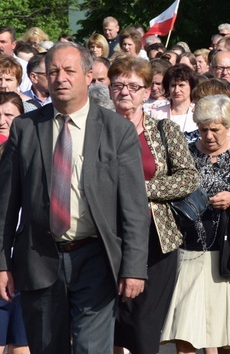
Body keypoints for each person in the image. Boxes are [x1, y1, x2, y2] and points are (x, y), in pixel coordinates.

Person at [0, 42, 150, 353]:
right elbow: (5, 204)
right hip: (39, 257)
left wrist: (134, 267)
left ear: (87, 75)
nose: (60, 78)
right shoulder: (25, 129)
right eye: (53, 71)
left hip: (96, 258)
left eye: (69, 71)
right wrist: (2, 263)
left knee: (92, 349)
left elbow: (134, 207)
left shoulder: (117, 130)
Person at [160, 95, 230, 353]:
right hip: (190, 252)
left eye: (215, 129)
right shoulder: (186, 153)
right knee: (185, 331)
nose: (208, 135)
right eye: (203, 129)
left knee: (226, 336)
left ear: (229, 126)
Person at [106, 56, 200, 354]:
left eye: (134, 86)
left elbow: (188, 178)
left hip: (157, 239)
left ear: (147, 91)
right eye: (118, 84)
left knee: (145, 324)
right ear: (109, 90)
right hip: (106, 237)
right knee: (111, 319)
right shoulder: (97, 131)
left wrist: (141, 190)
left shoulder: (164, 131)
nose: (125, 92)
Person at [0, 93, 27, 354]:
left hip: (27, 267)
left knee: (23, 345)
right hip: (0, 264)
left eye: (8, 115)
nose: (1, 121)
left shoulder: (34, 157)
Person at [147, 64, 201, 136]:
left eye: (181, 85)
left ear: (191, 86)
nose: (176, 90)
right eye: (173, 85)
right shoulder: (156, 113)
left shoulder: (200, 112)